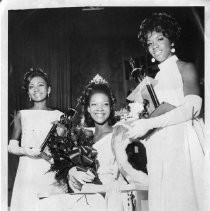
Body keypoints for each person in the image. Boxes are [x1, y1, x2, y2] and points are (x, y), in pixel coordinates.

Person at [124, 12, 206, 211]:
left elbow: (191, 109)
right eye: (150, 43)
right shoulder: (153, 81)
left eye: (160, 39)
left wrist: (148, 123)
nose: (155, 46)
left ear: (171, 40)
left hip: (184, 145)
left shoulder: (186, 68)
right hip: (159, 149)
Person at [37, 74, 148, 211]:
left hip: (107, 195)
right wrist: (72, 172)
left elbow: (128, 170)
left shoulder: (119, 134)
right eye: (94, 104)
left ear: (111, 107)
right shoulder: (81, 135)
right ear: (88, 109)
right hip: (84, 192)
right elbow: (65, 167)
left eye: (105, 104)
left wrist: (145, 185)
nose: (99, 108)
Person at [8, 68, 64, 211]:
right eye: (31, 87)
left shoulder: (59, 116)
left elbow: (63, 150)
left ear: (49, 89)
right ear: (28, 92)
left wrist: (51, 158)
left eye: (40, 85)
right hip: (28, 171)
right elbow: (11, 147)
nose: (36, 89)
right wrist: (27, 151)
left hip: (49, 171)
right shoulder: (21, 114)